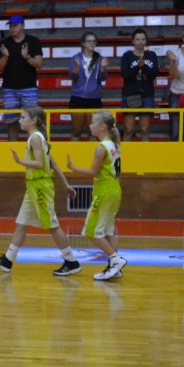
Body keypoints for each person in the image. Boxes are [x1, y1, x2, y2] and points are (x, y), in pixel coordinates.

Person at [0, 106, 80, 277]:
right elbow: (53, 164)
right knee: (21, 222)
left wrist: (20, 161)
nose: (20, 120)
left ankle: (71, 261)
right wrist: (66, 184)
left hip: (40, 186)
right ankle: (8, 260)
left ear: (34, 120)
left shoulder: (35, 138)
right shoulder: (39, 137)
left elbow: (40, 164)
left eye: (23, 117)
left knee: (52, 225)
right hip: (33, 187)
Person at [63, 110, 126, 281]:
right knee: (108, 230)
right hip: (114, 188)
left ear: (102, 126)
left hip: (105, 190)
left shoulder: (101, 148)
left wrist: (72, 168)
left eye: (92, 123)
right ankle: (114, 267)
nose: (89, 126)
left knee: (91, 231)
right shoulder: (114, 144)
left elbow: (92, 172)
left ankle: (115, 260)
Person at [0, 14, 43, 141]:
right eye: (10, 25)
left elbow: (39, 64)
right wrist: (6, 56)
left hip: (29, 88)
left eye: (15, 25)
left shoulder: (33, 41)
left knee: (32, 123)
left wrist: (27, 57)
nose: (12, 28)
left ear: (23, 26)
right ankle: (13, 150)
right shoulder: (5, 43)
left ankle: (34, 149)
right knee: (11, 123)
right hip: (9, 89)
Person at [120, 28, 161, 141]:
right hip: (130, 95)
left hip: (147, 95)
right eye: (137, 39)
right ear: (133, 41)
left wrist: (144, 67)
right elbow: (125, 75)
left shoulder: (151, 55)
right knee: (128, 129)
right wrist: (138, 67)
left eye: (143, 39)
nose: (140, 41)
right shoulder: (127, 56)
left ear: (146, 41)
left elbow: (154, 75)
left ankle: (145, 152)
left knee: (145, 129)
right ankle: (125, 151)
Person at [68, 31, 105, 140]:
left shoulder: (100, 59)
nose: (91, 43)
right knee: (76, 129)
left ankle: (93, 151)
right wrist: (77, 67)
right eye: (89, 41)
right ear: (83, 43)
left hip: (94, 98)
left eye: (94, 41)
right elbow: (72, 77)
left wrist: (103, 68)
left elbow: (103, 78)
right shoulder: (76, 58)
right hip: (77, 97)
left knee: (93, 132)